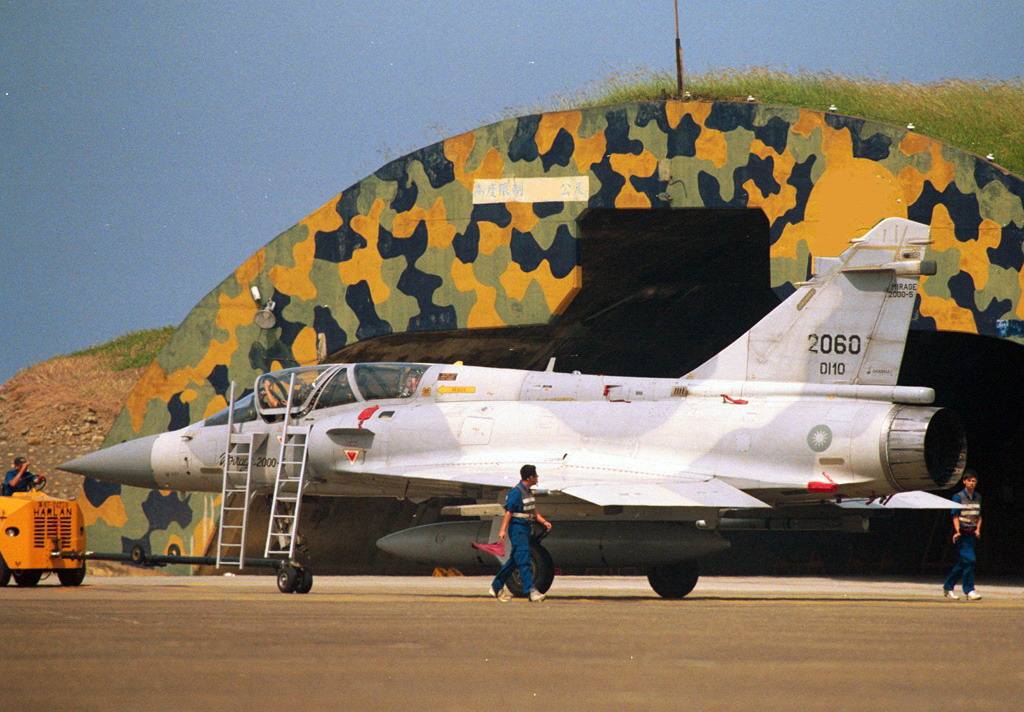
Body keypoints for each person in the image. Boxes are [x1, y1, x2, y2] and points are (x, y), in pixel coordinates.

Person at [489, 464, 553, 602]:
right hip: (517, 528)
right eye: (535, 475)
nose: (537, 478)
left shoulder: (528, 491)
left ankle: (496, 586)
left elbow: (533, 511)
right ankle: (531, 591)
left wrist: (543, 521)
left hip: (526, 527)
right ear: (530, 477)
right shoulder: (516, 492)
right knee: (524, 560)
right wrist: (502, 530)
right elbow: (509, 512)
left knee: (514, 561)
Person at [943, 470, 983, 601]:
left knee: (964, 563)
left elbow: (979, 515)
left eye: (974, 481)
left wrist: (978, 529)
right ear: (964, 481)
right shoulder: (958, 496)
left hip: (972, 533)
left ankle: (948, 586)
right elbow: (955, 515)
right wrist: (957, 531)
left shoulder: (978, 497)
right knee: (970, 560)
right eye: (969, 480)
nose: (972, 483)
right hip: (963, 534)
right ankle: (969, 589)